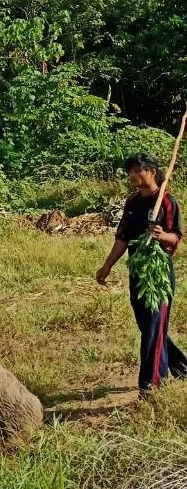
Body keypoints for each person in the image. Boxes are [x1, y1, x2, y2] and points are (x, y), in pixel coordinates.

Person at [96, 152, 186, 396]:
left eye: (137, 171)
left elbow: (176, 236)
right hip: (138, 269)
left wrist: (161, 235)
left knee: (154, 326)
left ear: (152, 172)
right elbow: (122, 237)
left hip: (158, 274)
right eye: (130, 172)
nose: (132, 176)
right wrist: (107, 266)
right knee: (148, 326)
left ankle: (151, 386)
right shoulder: (133, 202)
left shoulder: (167, 201)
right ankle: (181, 368)